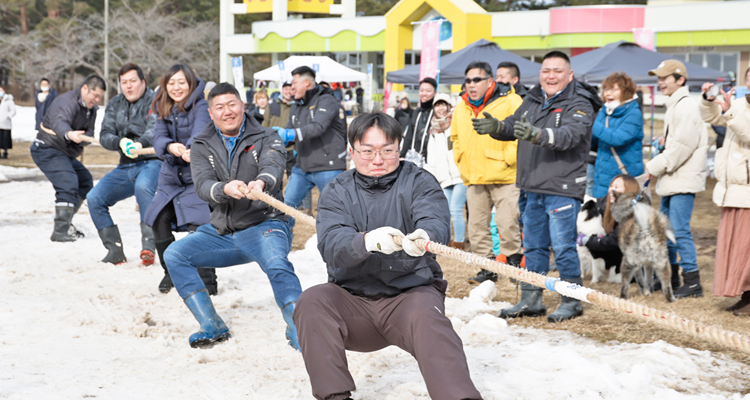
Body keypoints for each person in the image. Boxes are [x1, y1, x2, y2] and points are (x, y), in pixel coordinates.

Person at [294, 112, 482, 400]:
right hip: (353, 301)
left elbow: (435, 219)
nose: (377, 160)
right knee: (312, 301)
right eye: (367, 151)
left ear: (399, 147)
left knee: (429, 321)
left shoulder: (419, 181)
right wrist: (366, 241)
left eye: (387, 151)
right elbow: (331, 243)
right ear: (352, 151)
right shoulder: (338, 190)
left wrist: (425, 236)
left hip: (410, 297)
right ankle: (334, 396)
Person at [164, 82, 302, 349]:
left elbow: (274, 166)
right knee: (174, 254)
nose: (227, 111)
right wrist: (223, 189)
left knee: (277, 263)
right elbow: (203, 185)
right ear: (211, 113)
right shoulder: (202, 144)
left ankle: (300, 326)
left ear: (242, 106)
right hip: (223, 232)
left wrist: (260, 183)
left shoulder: (267, 136)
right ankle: (211, 324)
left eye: (232, 104)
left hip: (266, 224)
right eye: (219, 107)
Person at [473, 51, 601, 322]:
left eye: (557, 71)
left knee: (564, 246)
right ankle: (531, 299)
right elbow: (513, 126)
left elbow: (570, 135)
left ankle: (572, 300)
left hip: (562, 187)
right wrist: (497, 126)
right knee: (533, 247)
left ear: (569, 75)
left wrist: (539, 134)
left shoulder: (580, 102)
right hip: (532, 186)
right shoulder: (532, 98)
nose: (550, 76)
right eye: (546, 71)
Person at [143, 64, 215, 294]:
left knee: (199, 224)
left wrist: (191, 149)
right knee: (158, 219)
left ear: (191, 83)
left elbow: (201, 130)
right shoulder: (162, 105)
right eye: (171, 83)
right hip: (171, 176)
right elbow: (158, 138)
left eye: (181, 82)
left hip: (196, 175)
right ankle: (171, 272)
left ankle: (207, 278)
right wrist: (170, 146)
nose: (176, 87)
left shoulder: (201, 105)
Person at [452, 61, 523, 284]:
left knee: (507, 222)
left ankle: (515, 265)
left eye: (476, 80)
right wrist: (462, 161)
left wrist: (508, 159)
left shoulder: (512, 100)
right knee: (476, 227)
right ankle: (487, 268)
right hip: (474, 176)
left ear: (490, 81)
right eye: (468, 80)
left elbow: (521, 132)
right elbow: (455, 138)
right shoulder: (461, 106)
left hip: (506, 175)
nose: (471, 85)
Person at [85, 63, 161, 265]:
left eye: (133, 81)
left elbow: (155, 130)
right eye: (124, 82)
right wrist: (119, 141)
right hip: (125, 165)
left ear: (143, 82)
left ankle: (149, 245)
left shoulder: (156, 101)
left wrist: (139, 144)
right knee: (94, 197)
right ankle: (114, 250)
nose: (128, 86)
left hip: (152, 162)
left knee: (143, 186)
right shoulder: (115, 103)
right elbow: (104, 134)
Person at [645, 60, 708, 299]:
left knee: (679, 230)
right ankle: (668, 278)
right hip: (674, 178)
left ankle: (692, 282)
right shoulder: (677, 105)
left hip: (681, 178)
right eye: (658, 77)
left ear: (680, 79)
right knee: (667, 231)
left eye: (665, 77)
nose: (660, 82)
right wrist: (664, 143)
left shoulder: (686, 106)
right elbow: (677, 143)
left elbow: (682, 147)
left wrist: (651, 168)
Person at [699, 67, 750, 315]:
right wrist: (709, 102)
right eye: (749, 79)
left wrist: (730, 112)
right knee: (735, 247)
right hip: (732, 188)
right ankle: (745, 295)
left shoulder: (736, 108)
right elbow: (714, 119)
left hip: (747, 188)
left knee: (747, 248)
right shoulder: (739, 103)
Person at [31, 75, 105, 242]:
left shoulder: (91, 109)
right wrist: (70, 134)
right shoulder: (66, 101)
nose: (97, 99)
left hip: (64, 152)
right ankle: (60, 230)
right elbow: (59, 123)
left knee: (85, 180)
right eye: (95, 95)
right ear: (85, 88)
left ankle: (67, 223)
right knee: (68, 182)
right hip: (46, 148)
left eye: (100, 97)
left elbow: (90, 132)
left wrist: (85, 137)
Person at [272, 66, 347, 219]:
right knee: (286, 208)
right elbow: (288, 131)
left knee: (332, 212)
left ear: (306, 82)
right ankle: (282, 241)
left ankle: (333, 242)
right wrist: (276, 138)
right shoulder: (296, 106)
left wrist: (289, 134)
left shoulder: (327, 100)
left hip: (328, 166)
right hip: (302, 167)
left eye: (294, 83)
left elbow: (317, 127)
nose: (291, 87)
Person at [578, 174, 644, 278]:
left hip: (635, 260)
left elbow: (614, 240)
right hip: (618, 254)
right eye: (611, 186)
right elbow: (593, 202)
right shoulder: (608, 203)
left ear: (628, 190)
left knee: (595, 244)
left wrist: (588, 240)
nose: (611, 190)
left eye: (616, 187)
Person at [591, 72, 644, 199]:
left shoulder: (634, 114)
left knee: (622, 215)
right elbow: (593, 141)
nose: (608, 93)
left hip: (623, 178)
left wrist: (591, 123)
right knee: (603, 215)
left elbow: (617, 139)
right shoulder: (604, 112)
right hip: (601, 177)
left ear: (626, 91)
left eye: (613, 89)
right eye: (605, 89)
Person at [424, 93, 466, 249]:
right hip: (443, 178)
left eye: (443, 105)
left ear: (449, 106)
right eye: (437, 105)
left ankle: (459, 242)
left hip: (460, 175)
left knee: (456, 208)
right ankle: (446, 240)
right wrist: (432, 177)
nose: (440, 108)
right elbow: (432, 157)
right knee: (445, 211)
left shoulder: (456, 124)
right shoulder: (433, 131)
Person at [400, 77, 437, 166]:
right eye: (421, 90)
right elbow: (409, 135)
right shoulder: (416, 112)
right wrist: (402, 154)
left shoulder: (436, 112)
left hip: (432, 158)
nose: (424, 93)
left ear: (435, 93)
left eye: (428, 91)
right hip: (415, 157)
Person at [0, 86, 16, 159]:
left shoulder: (9, 100)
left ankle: (5, 152)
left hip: (6, 124)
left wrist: (8, 116)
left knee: (5, 138)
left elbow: (13, 110)